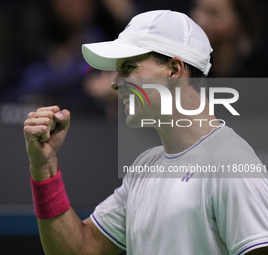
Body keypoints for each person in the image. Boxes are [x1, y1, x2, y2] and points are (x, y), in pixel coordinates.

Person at [23, 10, 268, 255]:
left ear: (174, 69)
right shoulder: (145, 166)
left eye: (128, 67)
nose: (115, 82)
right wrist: (44, 168)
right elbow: (81, 248)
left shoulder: (231, 163)